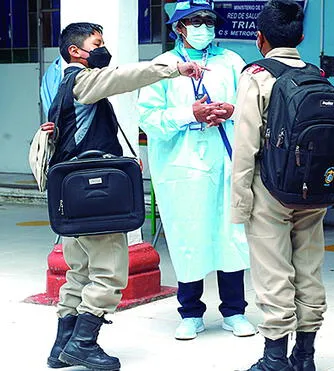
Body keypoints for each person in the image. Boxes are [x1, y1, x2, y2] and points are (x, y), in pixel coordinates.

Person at [45, 22, 206, 370]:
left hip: (72, 202)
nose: (103, 49)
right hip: (95, 199)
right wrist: (174, 68)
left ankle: (62, 347)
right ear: (76, 51)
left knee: (79, 273)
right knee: (109, 274)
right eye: (96, 43)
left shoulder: (57, 86)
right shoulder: (83, 81)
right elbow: (127, 76)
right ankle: (84, 345)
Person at [137, 0, 256, 341]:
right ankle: (190, 312)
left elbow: (252, 107)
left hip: (226, 161)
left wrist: (230, 110)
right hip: (183, 166)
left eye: (208, 20)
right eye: (195, 21)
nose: (203, 26)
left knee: (230, 235)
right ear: (178, 28)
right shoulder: (164, 65)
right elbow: (149, 118)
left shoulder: (232, 62)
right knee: (189, 235)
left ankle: (234, 310)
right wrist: (190, 114)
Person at [230, 1, 327, 370]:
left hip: (269, 189)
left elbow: (245, 146)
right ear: (301, 37)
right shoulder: (317, 74)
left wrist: (240, 203)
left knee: (273, 274)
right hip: (314, 190)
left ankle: (274, 358)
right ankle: (305, 355)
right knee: (308, 269)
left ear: (260, 38)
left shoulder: (257, 75)